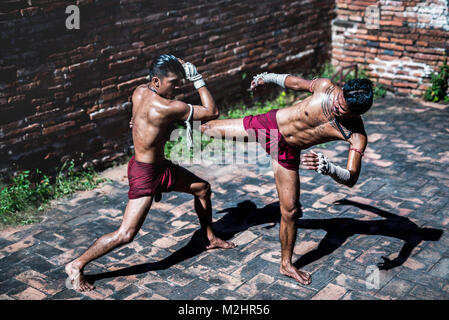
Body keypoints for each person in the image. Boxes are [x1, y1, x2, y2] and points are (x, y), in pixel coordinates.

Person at [65, 54, 235, 292]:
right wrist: (197, 79)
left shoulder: (139, 91)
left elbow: (138, 115)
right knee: (126, 234)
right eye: (173, 83)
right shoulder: (167, 107)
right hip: (146, 173)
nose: (176, 88)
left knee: (202, 188)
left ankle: (208, 237)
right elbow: (212, 111)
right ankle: (76, 265)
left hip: (157, 166)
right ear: (156, 81)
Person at [201, 71, 373, 285]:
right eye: (339, 101)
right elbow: (295, 82)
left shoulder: (356, 135)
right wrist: (269, 77)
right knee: (206, 129)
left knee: (291, 210)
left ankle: (286, 264)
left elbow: (352, 178)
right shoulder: (326, 87)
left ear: (357, 114)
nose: (335, 107)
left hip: (288, 151)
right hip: (270, 127)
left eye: (342, 110)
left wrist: (329, 168)